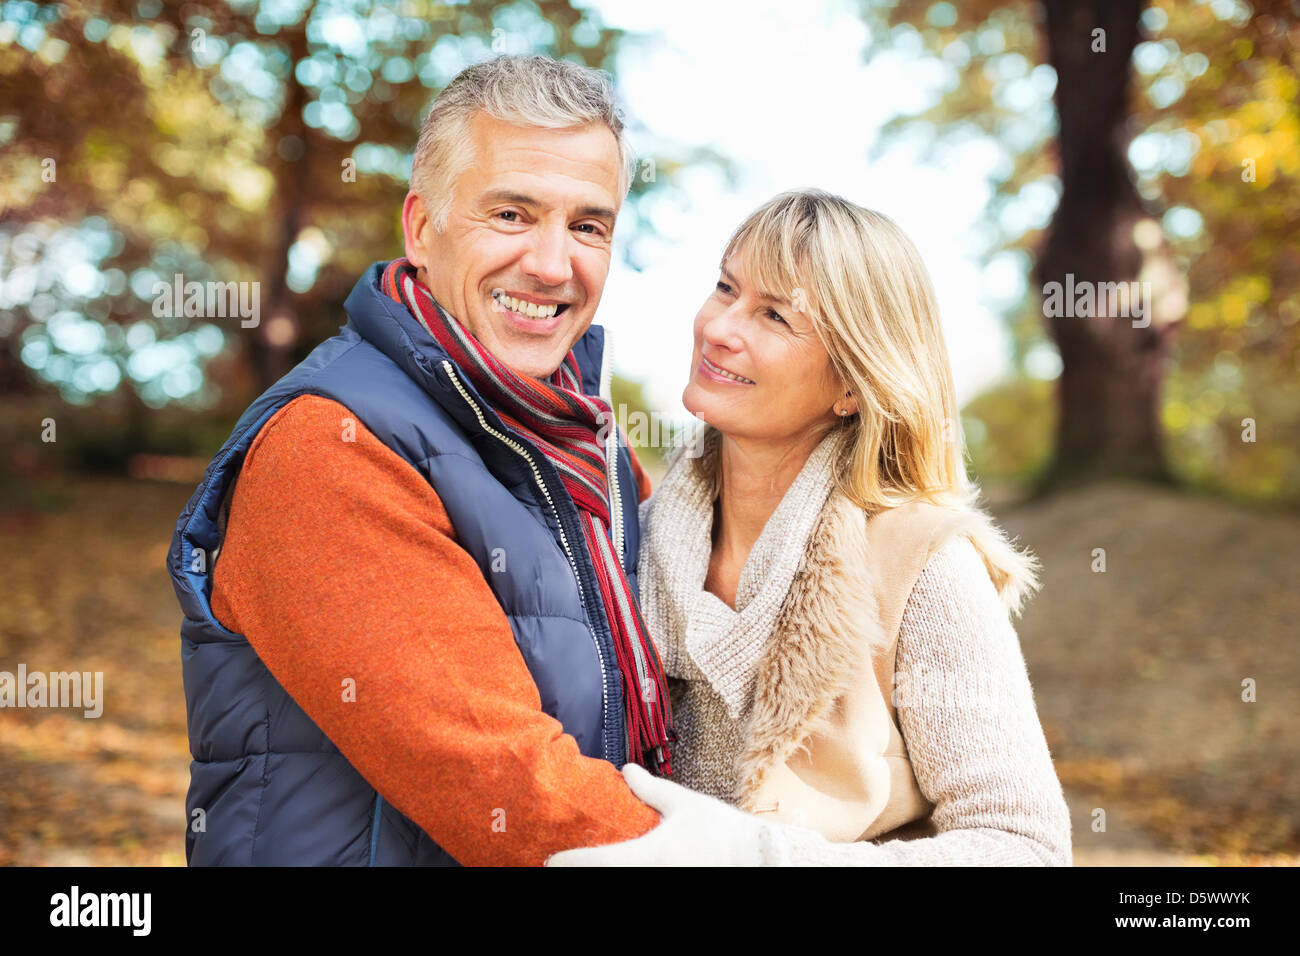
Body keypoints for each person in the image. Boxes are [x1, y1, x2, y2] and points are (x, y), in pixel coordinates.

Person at [166, 54, 678, 866]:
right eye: (511, 214)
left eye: (588, 225)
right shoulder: (332, 443)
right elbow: (505, 785)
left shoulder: (591, 453)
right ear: (421, 227)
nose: (552, 265)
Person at [547, 190, 1074, 866]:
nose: (720, 328)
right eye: (725, 288)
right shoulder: (630, 538)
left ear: (852, 384)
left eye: (773, 315)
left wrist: (762, 856)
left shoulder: (920, 563)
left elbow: (1026, 848)